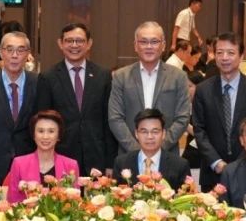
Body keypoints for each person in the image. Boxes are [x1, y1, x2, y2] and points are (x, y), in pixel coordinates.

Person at [192, 32, 246, 191]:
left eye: (230, 53)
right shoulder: (203, 90)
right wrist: (216, 162)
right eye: (219, 52)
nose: (224, 58)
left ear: (241, 56)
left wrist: (239, 165)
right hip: (212, 172)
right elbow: (199, 130)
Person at [36, 23, 116, 177]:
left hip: (96, 159)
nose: (74, 45)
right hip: (61, 159)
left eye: (79, 41)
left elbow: (108, 122)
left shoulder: (103, 76)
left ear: (89, 43)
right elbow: (43, 122)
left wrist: (110, 163)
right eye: (69, 40)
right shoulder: (48, 78)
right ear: (60, 43)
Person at [108, 21, 191, 155]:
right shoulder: (121, 76)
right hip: (129, 156)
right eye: (143, 42)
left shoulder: (178, 77)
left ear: (163, 45)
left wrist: (159, 149)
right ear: (135, 45)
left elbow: (183, 117)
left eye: (154, 42)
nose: (149, 46)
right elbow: (115, 117)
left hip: (167, 155)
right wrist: (137, 151)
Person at [0, 31, 38, 197]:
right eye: (9, 49)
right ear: (1, 52)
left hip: (29, 163)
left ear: (28, 54)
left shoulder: (38, 82)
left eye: (20, 50)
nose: (14, 55)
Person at [2, 110, 80, 202]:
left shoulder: (71, 165)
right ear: (34, 135)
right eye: (40, 131)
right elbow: (13, 202)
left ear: (58, 135)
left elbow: (75, 203)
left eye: (51, 131)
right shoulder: (18, 163)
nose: (45, 136)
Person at [114, 109, 190, 190]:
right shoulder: (122, 163)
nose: (149, 137)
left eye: (155, 132)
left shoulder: (180, 165)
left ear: (163, 134)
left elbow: (187, 195)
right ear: (136, 134)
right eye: (144, 132)